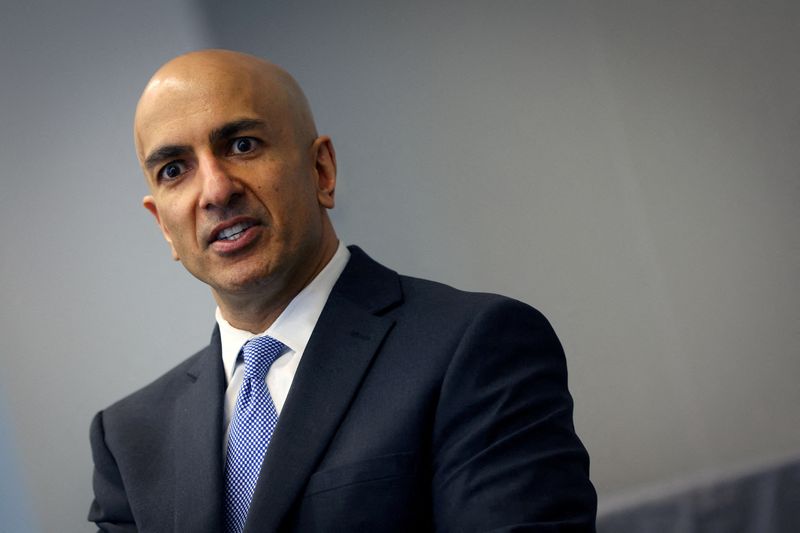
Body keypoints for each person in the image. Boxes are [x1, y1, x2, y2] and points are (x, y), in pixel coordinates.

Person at [88, 49, 597, 532]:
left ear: (321, 171)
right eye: (174, 170)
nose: (216, 190)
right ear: (162, 226)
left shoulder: (474, 346)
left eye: (242, 145)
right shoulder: (128, 438)